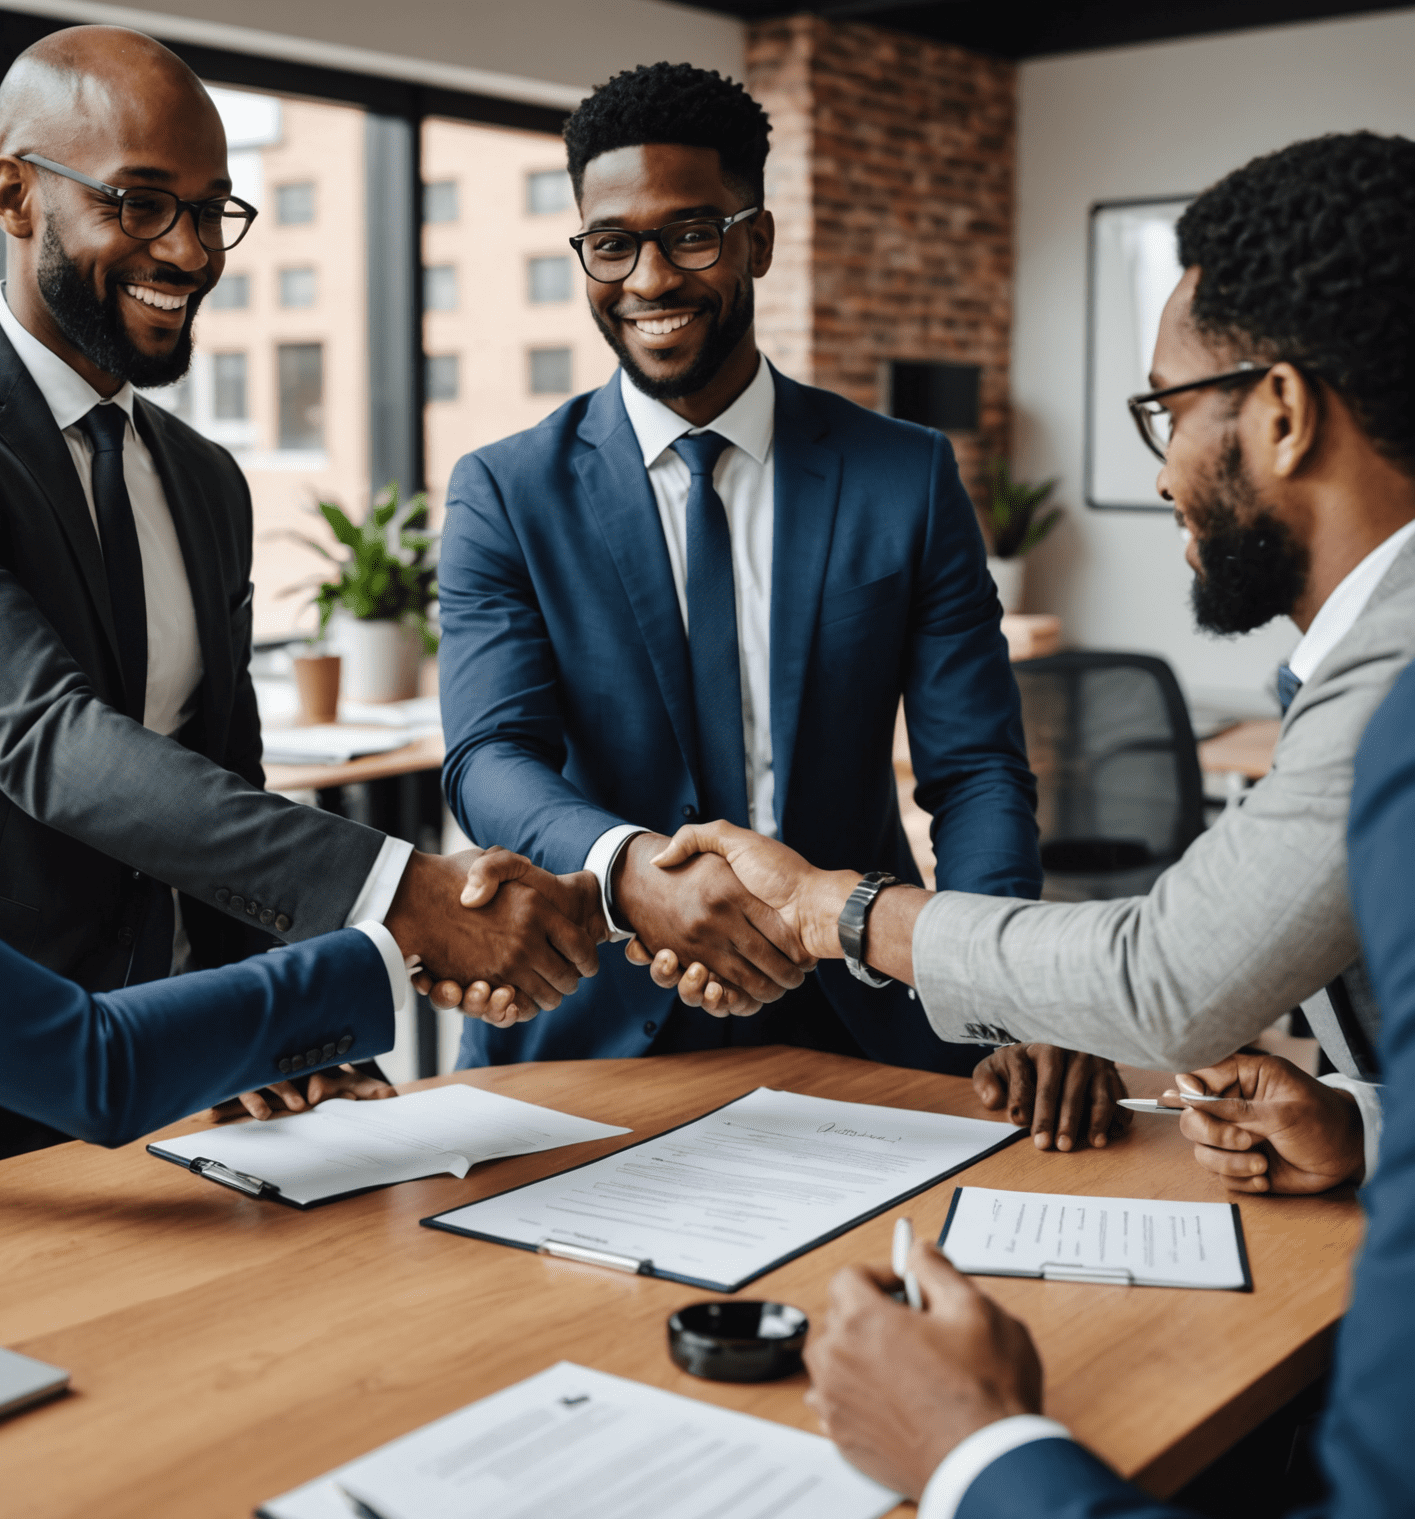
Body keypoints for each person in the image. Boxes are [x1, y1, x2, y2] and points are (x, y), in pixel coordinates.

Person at [0, 25, 600, 1179]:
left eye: (214, 208)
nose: (192, 249)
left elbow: (217, 770)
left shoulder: (206, 480)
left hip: (185, 1076)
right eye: (143, 203)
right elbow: (50, 742)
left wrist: (274, 1025)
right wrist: (400, 897)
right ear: (16, 196)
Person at [644, 132, 1415, 1185]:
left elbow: (1165, 975)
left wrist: (842, 910)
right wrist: (1368, 1129)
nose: (1161, 476)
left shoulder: (1397, 680)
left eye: (1169, 412)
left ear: (1282, 414)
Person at [436, 62, 1048, 1079]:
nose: (649, 280)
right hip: (589, 1018)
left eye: (689, 234)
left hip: (861, 1009)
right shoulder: (504, 491)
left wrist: (998, 992)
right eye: (611, 244)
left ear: (756, 239)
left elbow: (976, 768)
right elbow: (491, 757)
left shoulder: (906, 475)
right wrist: (634, 871)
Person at [0, 357, 573, 1161]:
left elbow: (223, 778)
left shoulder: (201, 473)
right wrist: (398, 930)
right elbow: (96, 1065)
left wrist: (288, 1034)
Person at [801, 645, 1415, 1519]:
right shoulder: (1358, 681)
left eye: (1172, 485)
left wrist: (972, 1453)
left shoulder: (1387, 699)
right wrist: (1363, 1123)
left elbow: (1167, 975)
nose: (1166, 493)